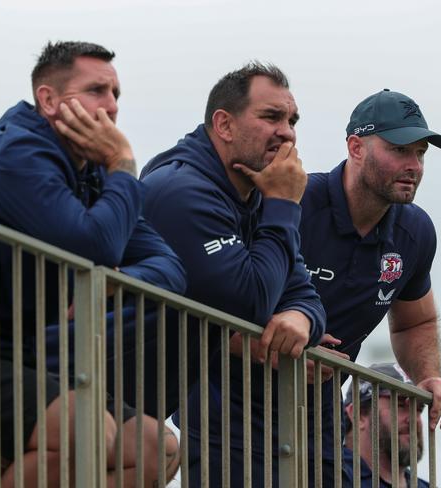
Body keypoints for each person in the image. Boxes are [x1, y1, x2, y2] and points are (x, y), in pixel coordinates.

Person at [0, 41, 183, 487]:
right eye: (97, 90)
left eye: (116, 94)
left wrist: (115, 281)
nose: (112, 107)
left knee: (157, 446)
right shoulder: (20, 155)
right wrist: (123, 163)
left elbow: (169, 269)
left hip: (12, 360)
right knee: (87, 430)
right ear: (48, 100)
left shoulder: (96, 176)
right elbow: (94, 244)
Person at [214, 88, 441, 486]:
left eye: (420, 153)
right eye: (400, 150)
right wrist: (281, 347)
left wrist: (427, 377)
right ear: (356, 147)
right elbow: (220, 298)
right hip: (227, 403)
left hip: (318, 414)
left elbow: (413, 322)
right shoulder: (291, 202)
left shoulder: (415, 231)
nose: (413, 165)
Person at [139, 62, 327, 487]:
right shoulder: (182, 189)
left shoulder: (254, 196)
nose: (288, 133)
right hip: (88, 379)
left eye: (292, 120)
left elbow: (303, 292)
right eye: (271, 117)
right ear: (223, 124)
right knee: (156, 454)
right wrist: (284, 204)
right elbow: (249, 300)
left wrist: (300, 319)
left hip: (138, 400)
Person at [343, 363, 429, 487]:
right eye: (399, 405)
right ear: (359, 415)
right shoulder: (330, 475)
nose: (413, 419)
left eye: (419, 409)